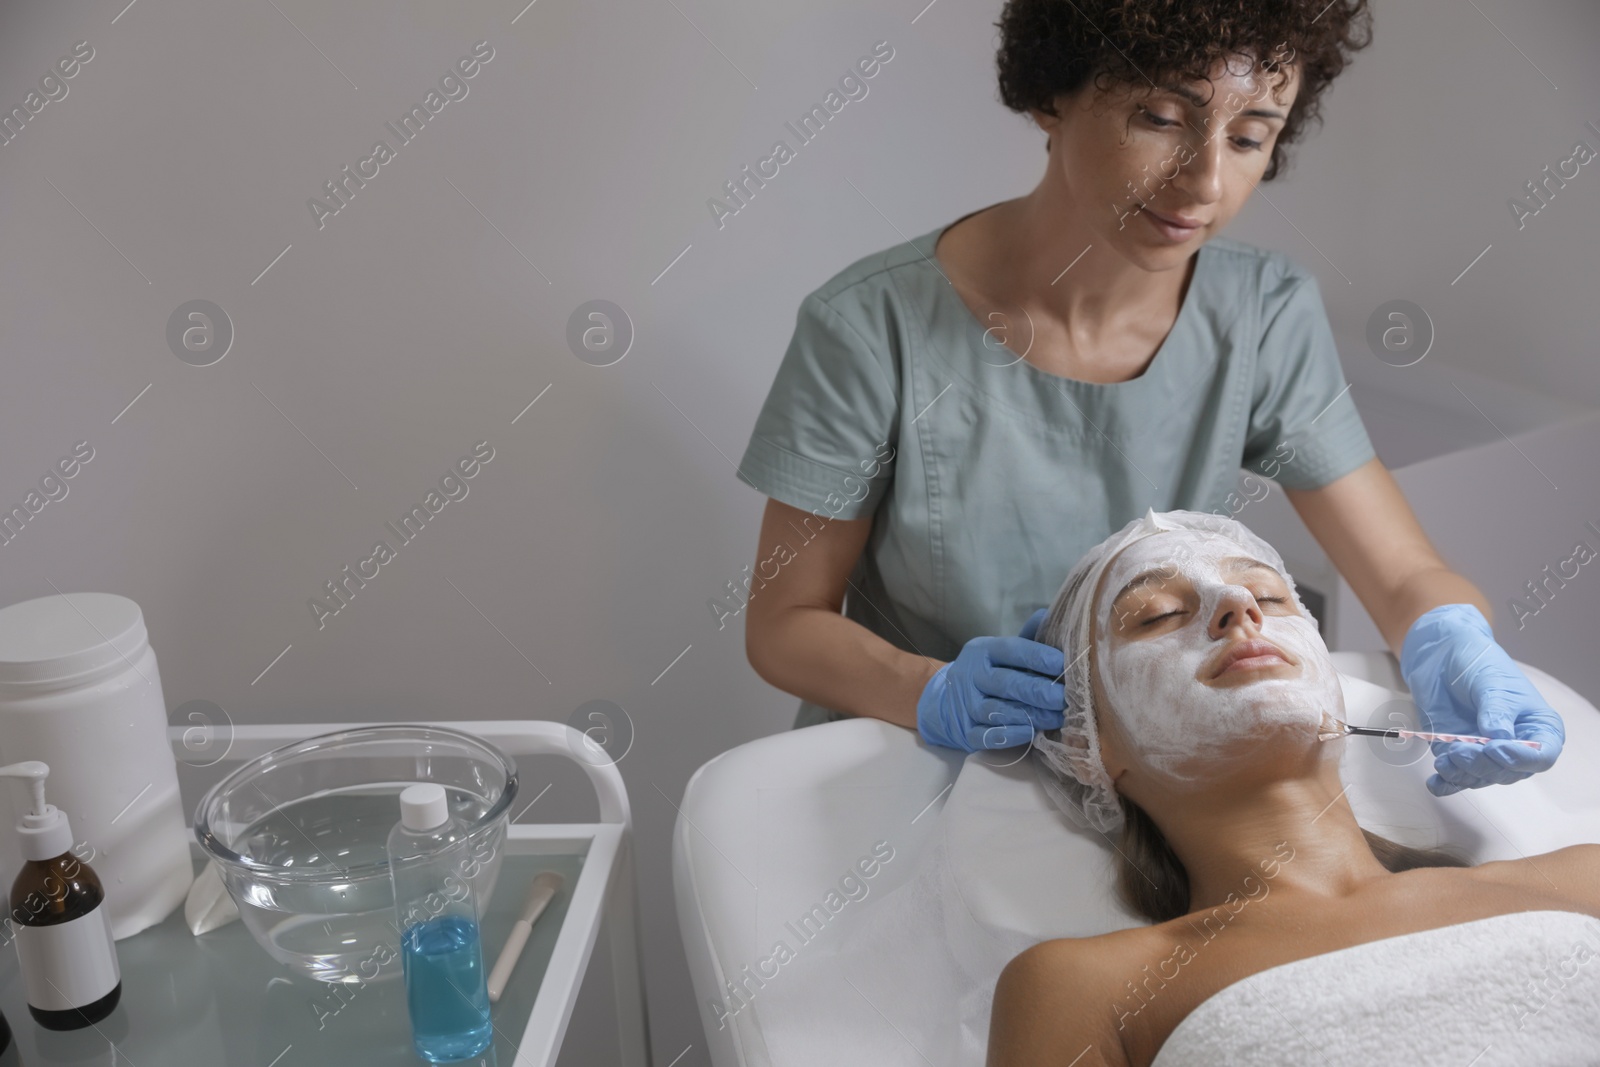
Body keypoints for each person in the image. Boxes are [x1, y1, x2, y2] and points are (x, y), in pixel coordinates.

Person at [735, 0, 1564, 796]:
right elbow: (784, 624)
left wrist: (1452, 643)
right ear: (1050, 96)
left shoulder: (1263, 312)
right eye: (1162, 119)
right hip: (907, 762)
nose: (1205, 180)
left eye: (1248, 138)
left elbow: (1400, 573)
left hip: (1137, 771)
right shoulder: (869, 326)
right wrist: (934, 689)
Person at [986, 509, 1587, 1067]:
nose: (1238, 605)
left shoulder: (1581, 879)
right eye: (1159, 614)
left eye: (1270, 597)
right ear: (1088, 746)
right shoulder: (1085, 988)